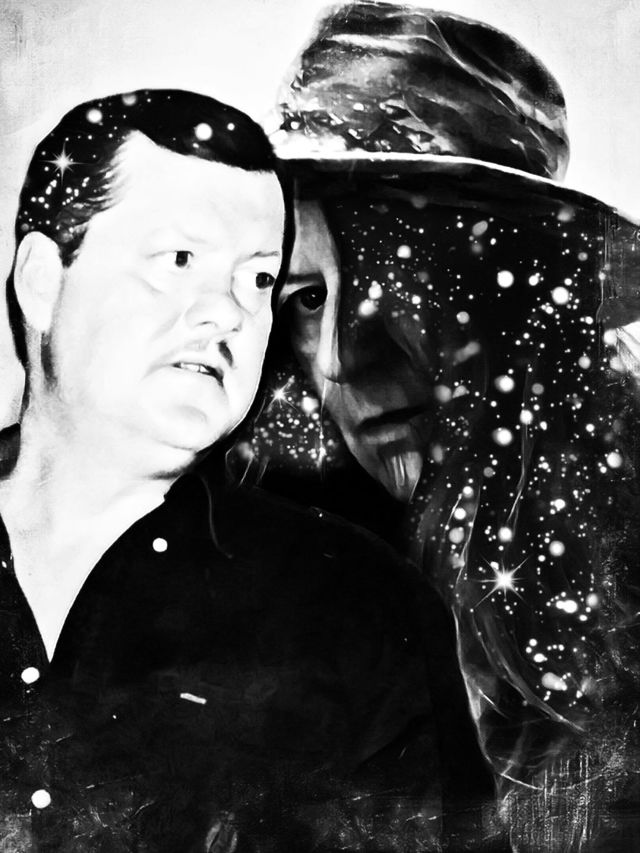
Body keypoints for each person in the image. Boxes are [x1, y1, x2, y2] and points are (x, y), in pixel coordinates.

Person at [0, 87, 478, 851]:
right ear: (42, 280)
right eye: (179, 259)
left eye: (259, 280)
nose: (228, 311)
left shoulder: (365, 609)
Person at [248, 3, 640, 850]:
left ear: (521, 295)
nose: (341, 357)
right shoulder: (247, 578)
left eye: (398, 279)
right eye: (307, 298)